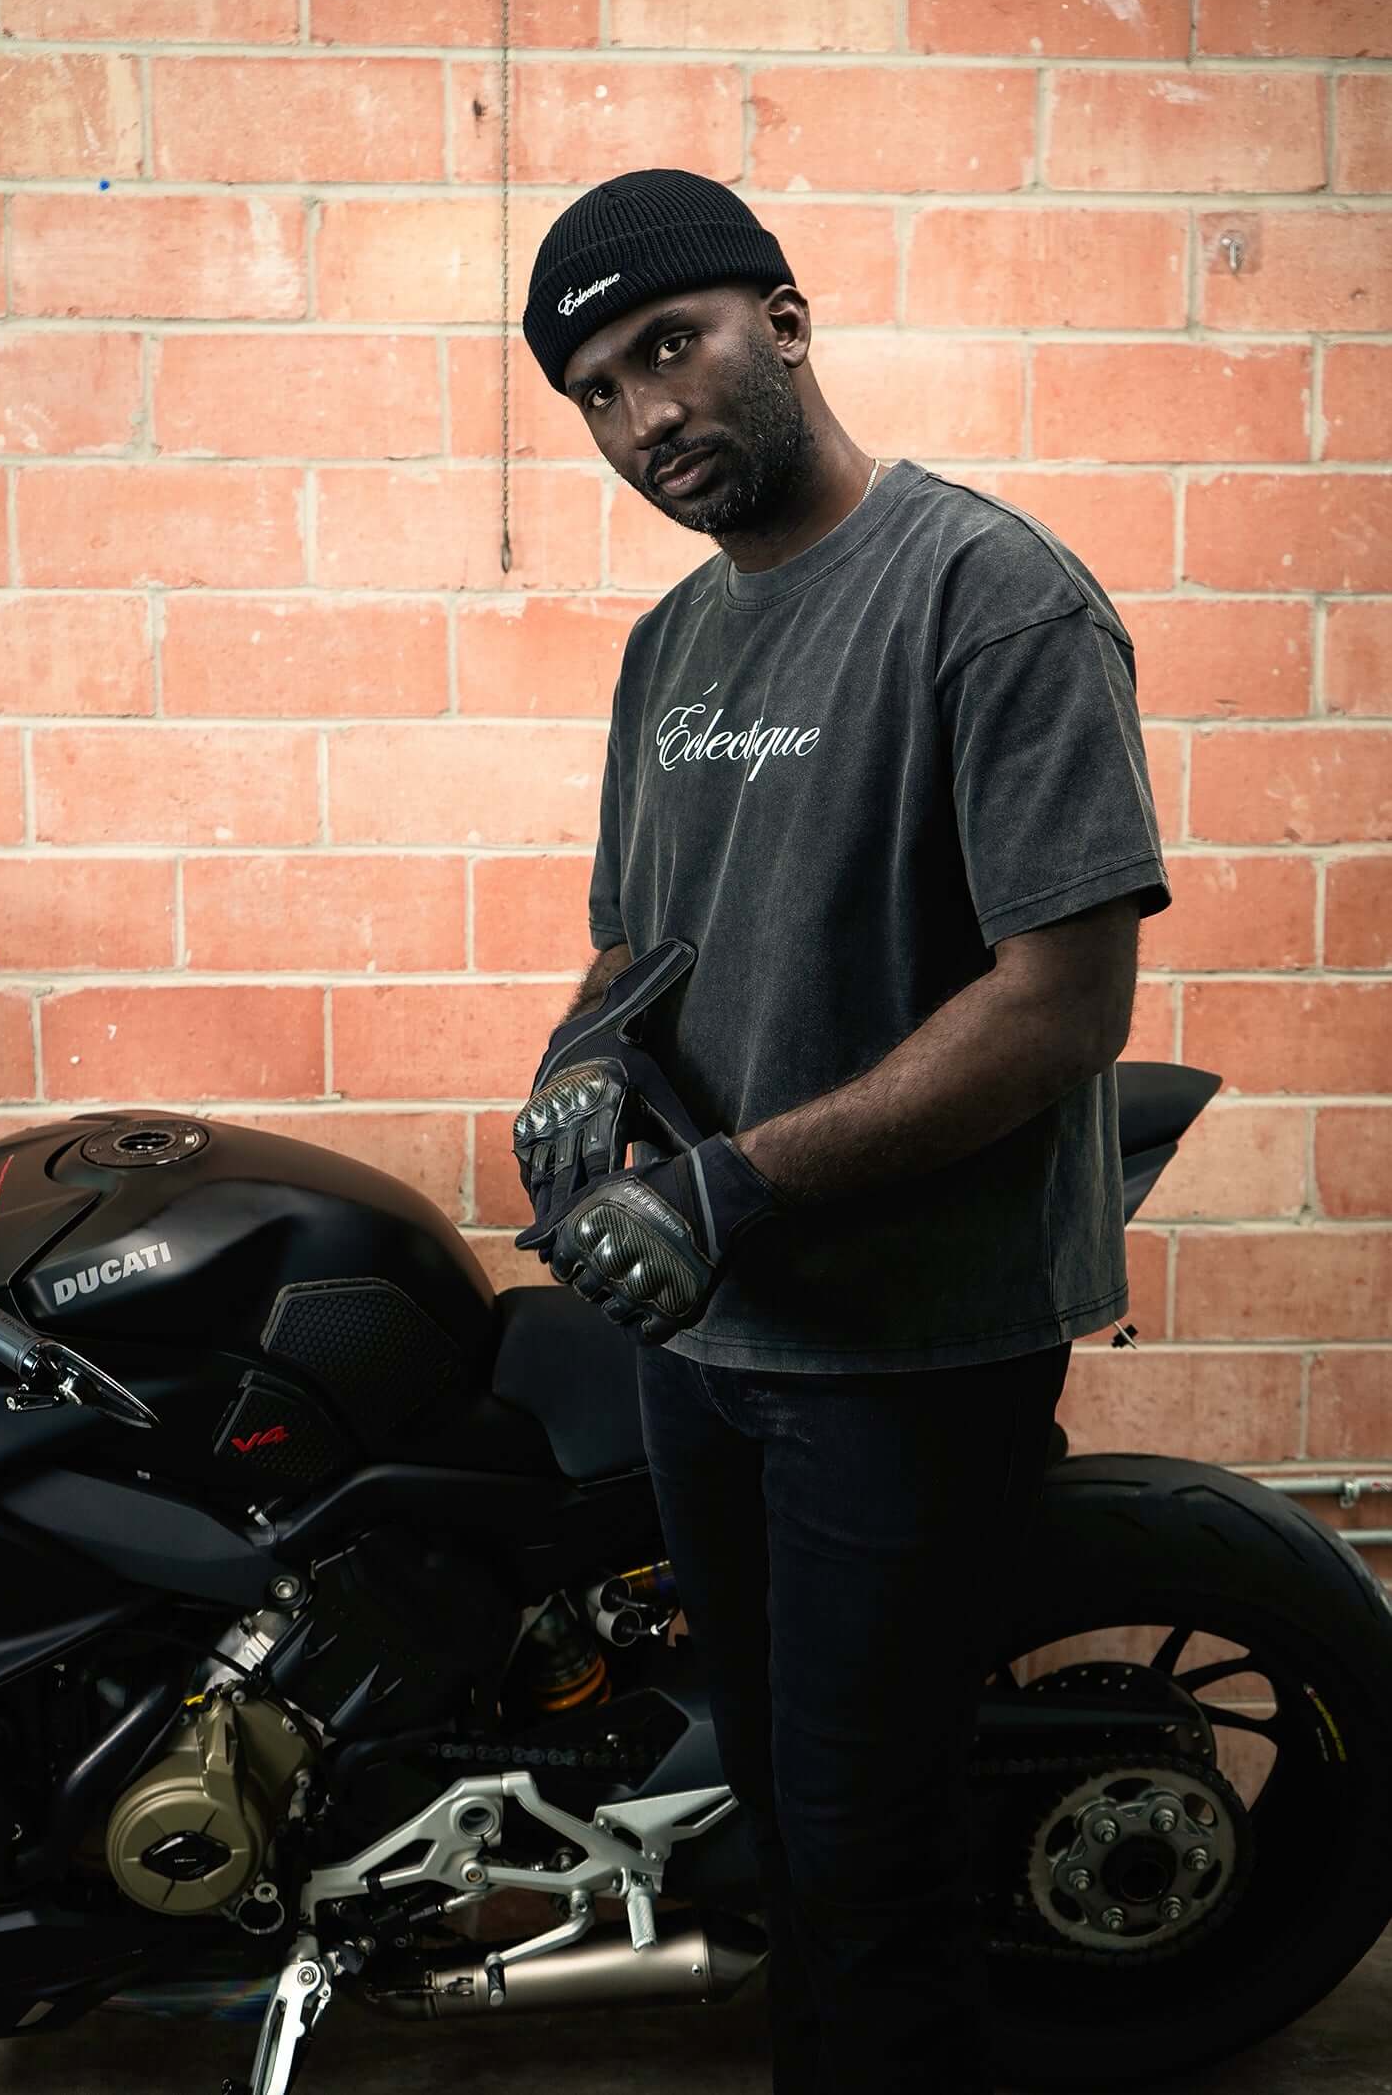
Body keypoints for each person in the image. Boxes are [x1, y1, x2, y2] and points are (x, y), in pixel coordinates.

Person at [511, 169, 1172, 2095]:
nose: (648, 419)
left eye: (671, 350)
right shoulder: (672, 647)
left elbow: (1066, 1002)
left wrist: (731, 1180)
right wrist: (583, 1069)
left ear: (782, 325)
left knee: (874, 1863)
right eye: (600, 395)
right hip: (702, 1343)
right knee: (787, 1832)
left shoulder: (991, 595)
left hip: (905, 1346)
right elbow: (635, 944)